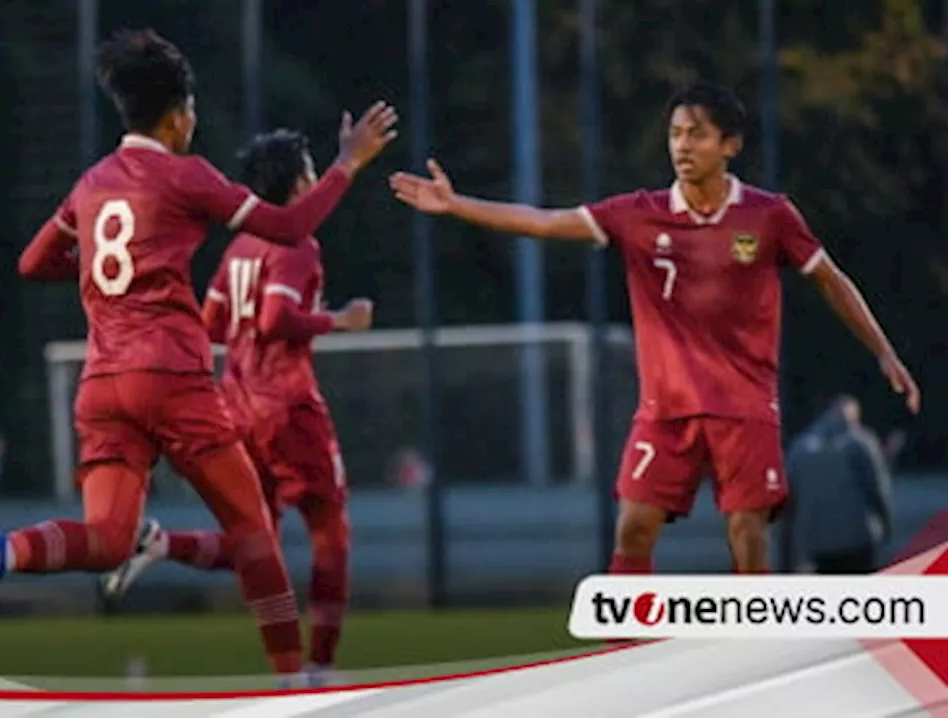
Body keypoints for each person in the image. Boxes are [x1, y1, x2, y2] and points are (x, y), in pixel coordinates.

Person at [0, 28, 397, 683]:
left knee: (104, 541)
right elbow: (290, 225)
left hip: (103, 382)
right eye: (193, 112)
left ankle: (5, 551)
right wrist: (347, 164)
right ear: (178, 115)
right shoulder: (185, 175)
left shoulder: (92, 182)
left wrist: (106, 277)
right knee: (253, 531)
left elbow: (33, 260)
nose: (196, 122)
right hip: (172, 376)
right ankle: (293, 684)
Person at [389, 81, 920, 576]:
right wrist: (457, 205)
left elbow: (831, 280)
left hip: (744, 405)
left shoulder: (769, 215)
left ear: (730, 145)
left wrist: (884, 352)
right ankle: (625, 652)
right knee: (634, 527)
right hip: (665, 411)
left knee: (747, 533)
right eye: (675, 133)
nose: (682, 145)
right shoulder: (638, 214)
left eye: (697, 134)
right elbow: (543, 221)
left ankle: (755, 652)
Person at [100, 129, 374, 687]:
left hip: (238, 407)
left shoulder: (241, 246)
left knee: (255, 544)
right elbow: (276, 319)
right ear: (298, 181)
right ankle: (320, 668)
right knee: (331, 532)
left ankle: (158, 543)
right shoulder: (296, 245)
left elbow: (214, 325)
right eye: (310, 169)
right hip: (288, 406)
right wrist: (338, 319)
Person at [785, 395, 892, 574]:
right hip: (858, 537)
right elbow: (877, 489)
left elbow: (789, 503)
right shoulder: (861, 443)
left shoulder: (799, 447)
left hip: (818, 542)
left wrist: (789, 552)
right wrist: (886, 524)